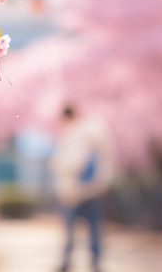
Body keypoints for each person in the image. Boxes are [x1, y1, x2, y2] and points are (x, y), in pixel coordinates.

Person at [50, 103, 114, 272]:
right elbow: (105, 158)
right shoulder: (95, 130)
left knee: (71, 228)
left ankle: (66, 262)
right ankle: (95, 263)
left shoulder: (71, 133)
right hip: (93, 189)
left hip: (74, 191)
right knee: (94, 228)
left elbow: (69, 162)